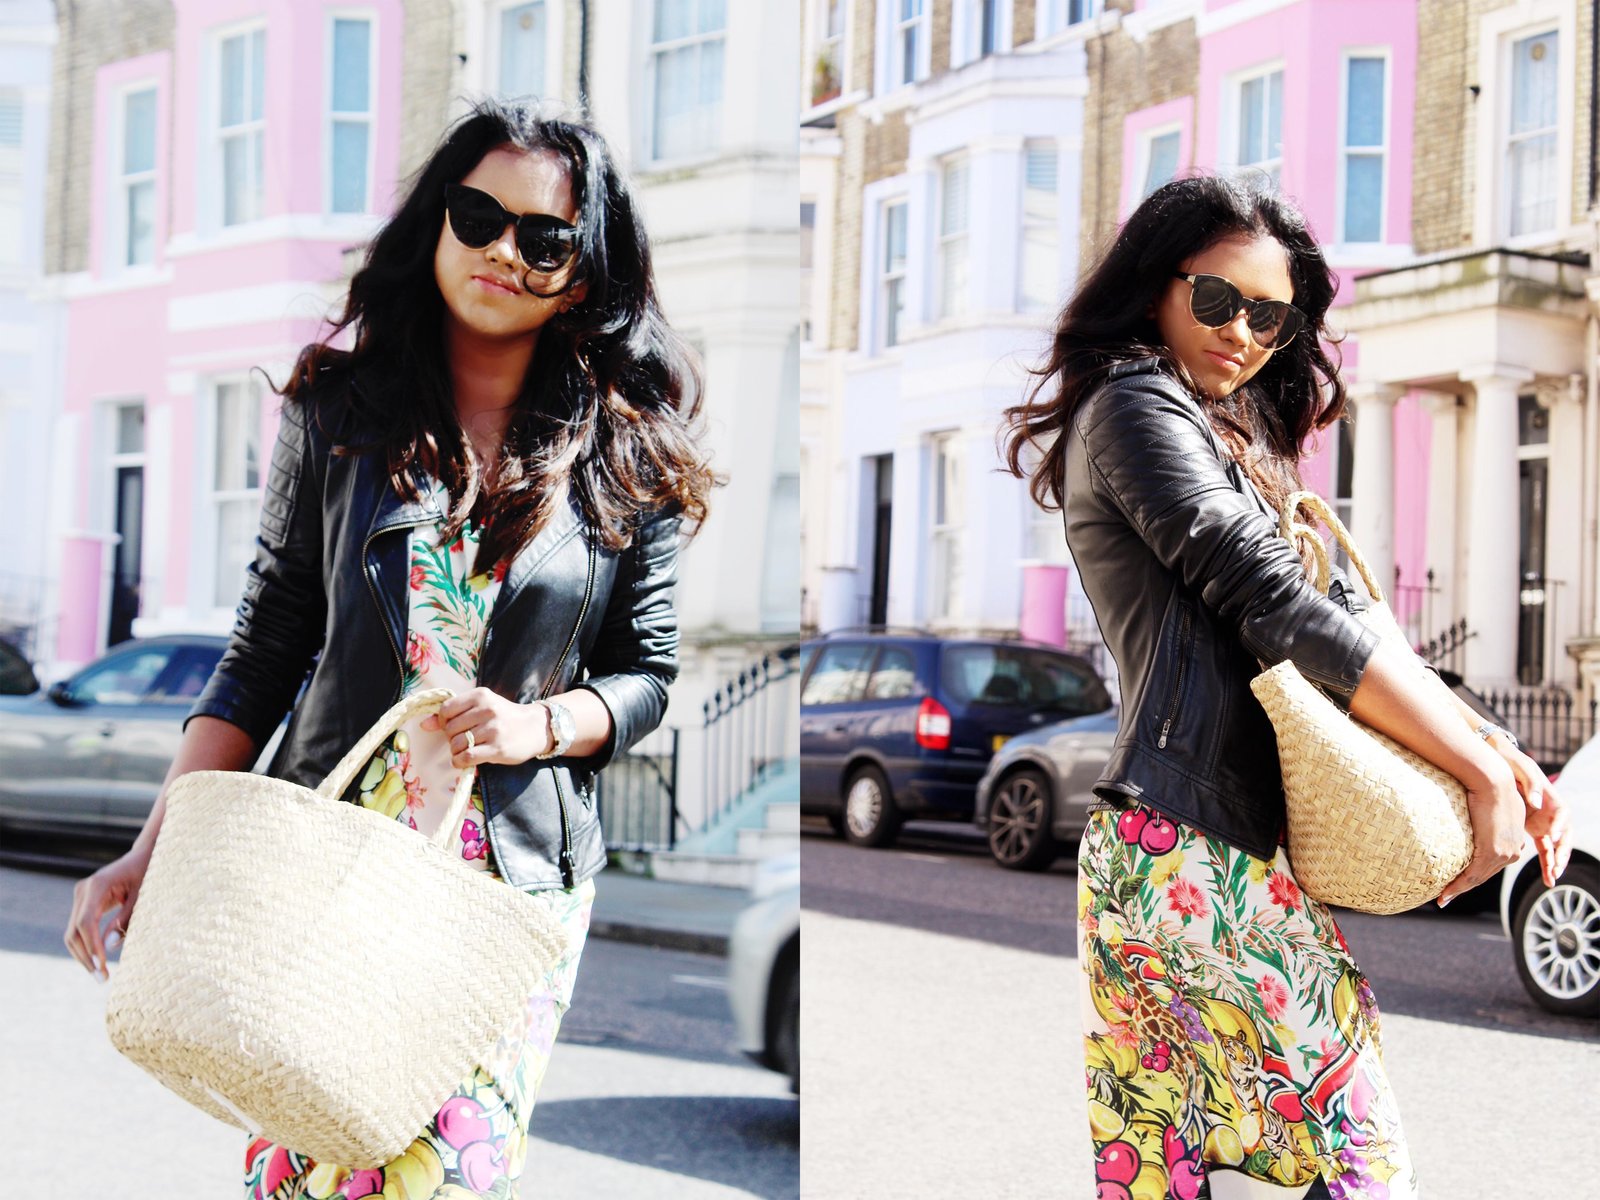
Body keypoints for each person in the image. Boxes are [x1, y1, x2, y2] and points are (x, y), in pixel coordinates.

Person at [64, 98, 715, 1198]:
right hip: (322, 852)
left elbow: (647, 676)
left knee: (440, 1175)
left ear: (583, 273)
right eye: (480, 217)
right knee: (310, 1161)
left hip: (502, 883)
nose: (505, 252)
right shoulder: (341, 410)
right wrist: (155, 843)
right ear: (438, 225)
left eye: (545, 239)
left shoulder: (625, 451)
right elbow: (266, 645)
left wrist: (537, 726)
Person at [1003, 174, 1572, 1200]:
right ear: (1154, 287)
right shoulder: (1132, 405)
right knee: (1353, 1159)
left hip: (1185, 854)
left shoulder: (1224, 441)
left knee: (1169, 1169)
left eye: (1271, 317)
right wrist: (1481, 769)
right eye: (1219, 300)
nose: (1245, 334)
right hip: (1185, 850)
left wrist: (1497, 750)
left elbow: (1348, 623)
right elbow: (1272, 601)